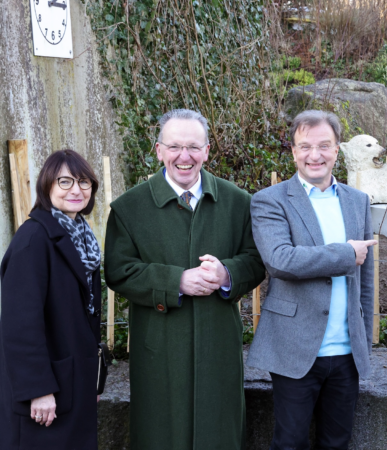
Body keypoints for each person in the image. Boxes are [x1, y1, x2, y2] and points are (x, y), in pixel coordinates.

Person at [104, 109, 265, 450]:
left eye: (193, 147)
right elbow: (119, 270)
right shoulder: (128, 208)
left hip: (218, 346)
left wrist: (226, 273)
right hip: (159, 349)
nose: (184, 156)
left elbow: (255, 260)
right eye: (174, 146)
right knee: (161, 435)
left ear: (207, 151)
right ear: (159, 150)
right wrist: (175, 281)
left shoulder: (238, 202)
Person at [246, 110, 375, 450]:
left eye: (324, 146)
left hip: (346, 353)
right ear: (293, 151)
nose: (314, 155)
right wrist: (346, 254)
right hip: (294, 349)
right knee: (289, 443)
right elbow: (281, 260)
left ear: (337, 150)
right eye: (305, 146)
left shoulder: (358, 201)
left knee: (337, 443)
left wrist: (364, 344)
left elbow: (365, 282)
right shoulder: (269, 201)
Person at [0, 150, 102, 449]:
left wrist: (92, 379)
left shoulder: (82, 237)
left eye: (84, 182)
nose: (76, 190)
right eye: (65, 181)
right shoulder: (33, 239)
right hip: (46, 391)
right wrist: (38, 389)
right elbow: (20, 324)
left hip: (74, 381)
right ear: (47, 186)